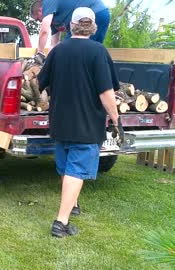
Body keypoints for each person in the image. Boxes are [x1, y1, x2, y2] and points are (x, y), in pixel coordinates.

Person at [37, 7, 122, 237]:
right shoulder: (98, 52)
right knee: (76, 169)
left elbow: (40, 83)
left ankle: (72, 205)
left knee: (66, 167)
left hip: (60, 122)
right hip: (86, 124)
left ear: (71, 26)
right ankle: (60, 222)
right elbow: (106, 92)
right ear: (93, 26)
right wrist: (116, 119)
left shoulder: (58, 51)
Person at [30, 0, 110, 62]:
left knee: (68, 50)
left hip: (94, 13)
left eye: (37, 18)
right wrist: (49, 60)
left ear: (40, 10)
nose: (39, 21)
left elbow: (44, 30)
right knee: (93, 54)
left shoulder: (47, 3)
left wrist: (40, 52)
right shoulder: (54, 22)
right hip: (103, 13)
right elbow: (54, 44)